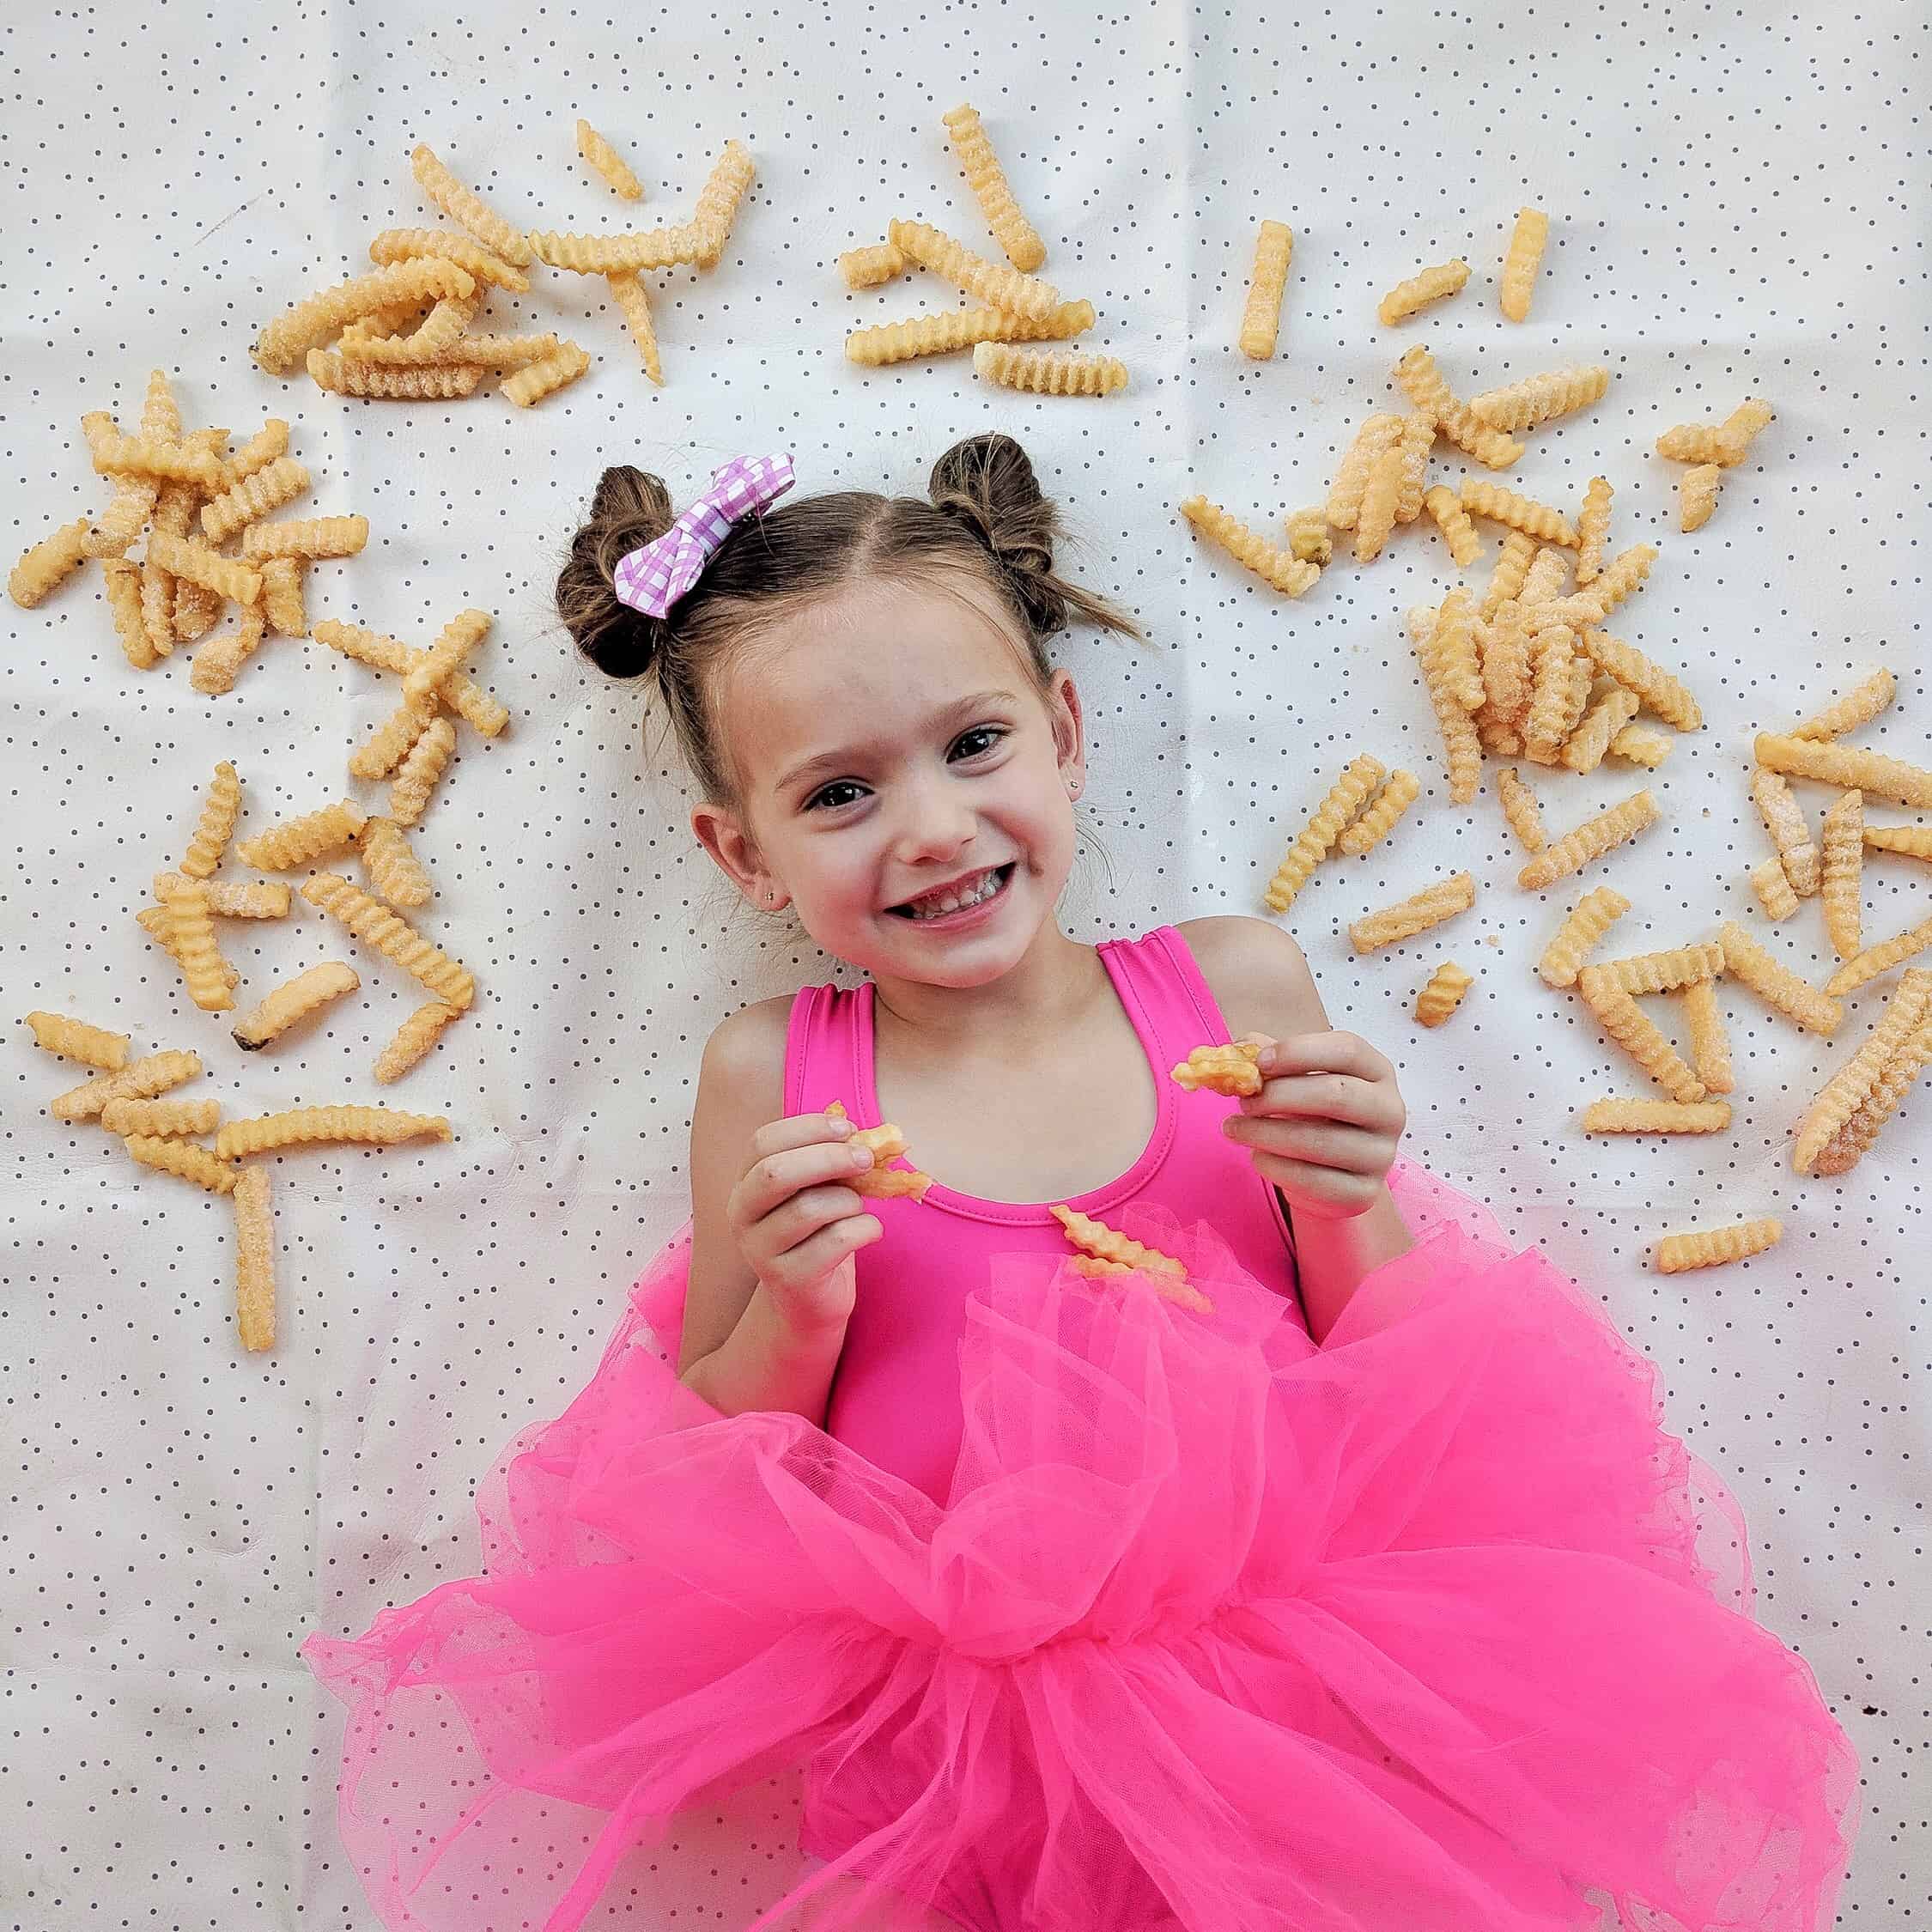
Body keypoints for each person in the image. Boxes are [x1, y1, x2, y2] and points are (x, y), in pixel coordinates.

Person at [301, 434, 1860, 1932]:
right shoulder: (768, 1070)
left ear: (1059, 729)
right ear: (745, 855)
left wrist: (1337, 1191)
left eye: (971, 746)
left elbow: (1402, 1369)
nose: (929, 827)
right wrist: (793, 1298)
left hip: (1279, 1671)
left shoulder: (1232, 987)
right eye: (838, 794)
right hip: (934, 1713)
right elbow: (706, 1447)